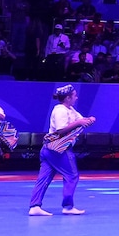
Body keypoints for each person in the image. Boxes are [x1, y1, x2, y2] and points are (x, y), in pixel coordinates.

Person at [29, 84, 93, 217]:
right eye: (74, 95)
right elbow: (61, 130)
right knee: (72, 175)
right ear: (68, 98)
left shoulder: (70, 110)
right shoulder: (60, 110)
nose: (76, 97)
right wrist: (79, 123)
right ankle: (68, 206)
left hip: (49, 149)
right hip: (59, 149)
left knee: (44, 178)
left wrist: (89, 120)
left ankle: (34, 206)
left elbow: (81, 120)